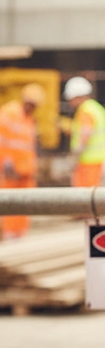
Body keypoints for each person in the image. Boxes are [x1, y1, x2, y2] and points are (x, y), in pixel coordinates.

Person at [0, 83, 46, 239]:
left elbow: (28, 144)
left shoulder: (29, 119)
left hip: (26, 168)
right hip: (10, 168)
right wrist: (5, 161)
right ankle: (10, 234)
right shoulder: (9, 113)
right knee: (11, 201)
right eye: (31, 104)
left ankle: (20, 234)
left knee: (25, 202)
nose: (32, 108)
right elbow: (3, 139)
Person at [63, 76, 105, 187]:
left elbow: (85, 136)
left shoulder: (85, 110)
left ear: (77, 96)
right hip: (101, 160)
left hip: (88, 163)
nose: (69, 102)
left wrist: (74, 158)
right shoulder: (96, 108)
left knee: (85, 197)